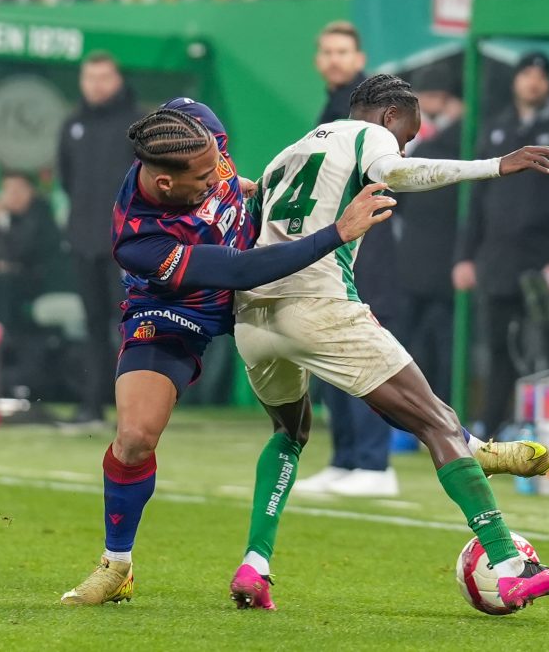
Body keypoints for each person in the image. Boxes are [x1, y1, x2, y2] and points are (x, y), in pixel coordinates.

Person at [229, 74, 549, 614]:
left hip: (253, 318)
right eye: (407, 135)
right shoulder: (370, 136)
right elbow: (398, 172)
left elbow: (251, 234)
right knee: (436, 422)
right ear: (390, 115)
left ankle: (254, 565)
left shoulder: (288, 155)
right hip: (317, 304)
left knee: (289, 432)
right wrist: (495, 165)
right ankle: (510, 566)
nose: (406, 145)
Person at [59, 98, 398, 605]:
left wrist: (236, 186)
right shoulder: (139, 240)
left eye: (218, 165)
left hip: (259, 296)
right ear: (166, 183)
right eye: (203, 178)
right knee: (134, 438)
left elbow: (188, 131)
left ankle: (438, 446)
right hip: (176, 310)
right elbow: (239, 270)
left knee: (298, 418)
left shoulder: (192, 127)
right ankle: (117, 565)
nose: (216, 179)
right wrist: (339, 232)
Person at [453, 51, 549, 438]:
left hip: (543, 263)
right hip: (499, 260)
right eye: (526, 74)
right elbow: (477, 197)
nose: (533, 82)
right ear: (515, 80)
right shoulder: (498, 128)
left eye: (540, 76)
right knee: (499, 347)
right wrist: (465, 256)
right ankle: (492, 427)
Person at [296, 20, 400, 497]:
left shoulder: (373, 109)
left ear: (359, 59)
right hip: (334, 246)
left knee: (364, 350)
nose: (335, 59)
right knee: (330, 348)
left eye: (343, 51)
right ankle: (346, 459)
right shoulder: (332, 106)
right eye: (328, 51)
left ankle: (375, 464)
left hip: (367, 247)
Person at [57, 51, 142, 426]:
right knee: (92, 325)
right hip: (84, 241)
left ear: (118, 79)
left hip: (127, 244)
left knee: (130, 326)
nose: (97, 85)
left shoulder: (138, 125)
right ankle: (91, 405)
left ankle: (134, 410)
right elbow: (66, 179)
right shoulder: (72, 125)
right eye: (90, 78)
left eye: (104, 77)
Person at [394, 56, 465, 402]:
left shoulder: (452, 139)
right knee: (417, 343)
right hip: (417, 263)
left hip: (440, 263)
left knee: (438, 346)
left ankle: (431, 413)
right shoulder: (414, 141)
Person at [0, 172, 61, 395]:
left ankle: (5, 341)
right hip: (17, 281)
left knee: (5, 284)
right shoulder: (14, 218)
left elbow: (17, 252)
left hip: (43, 282)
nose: (10, 196)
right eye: (7, 191)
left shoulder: (40, 214)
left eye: (16, 190)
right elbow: (5, 255)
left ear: (29, 192)